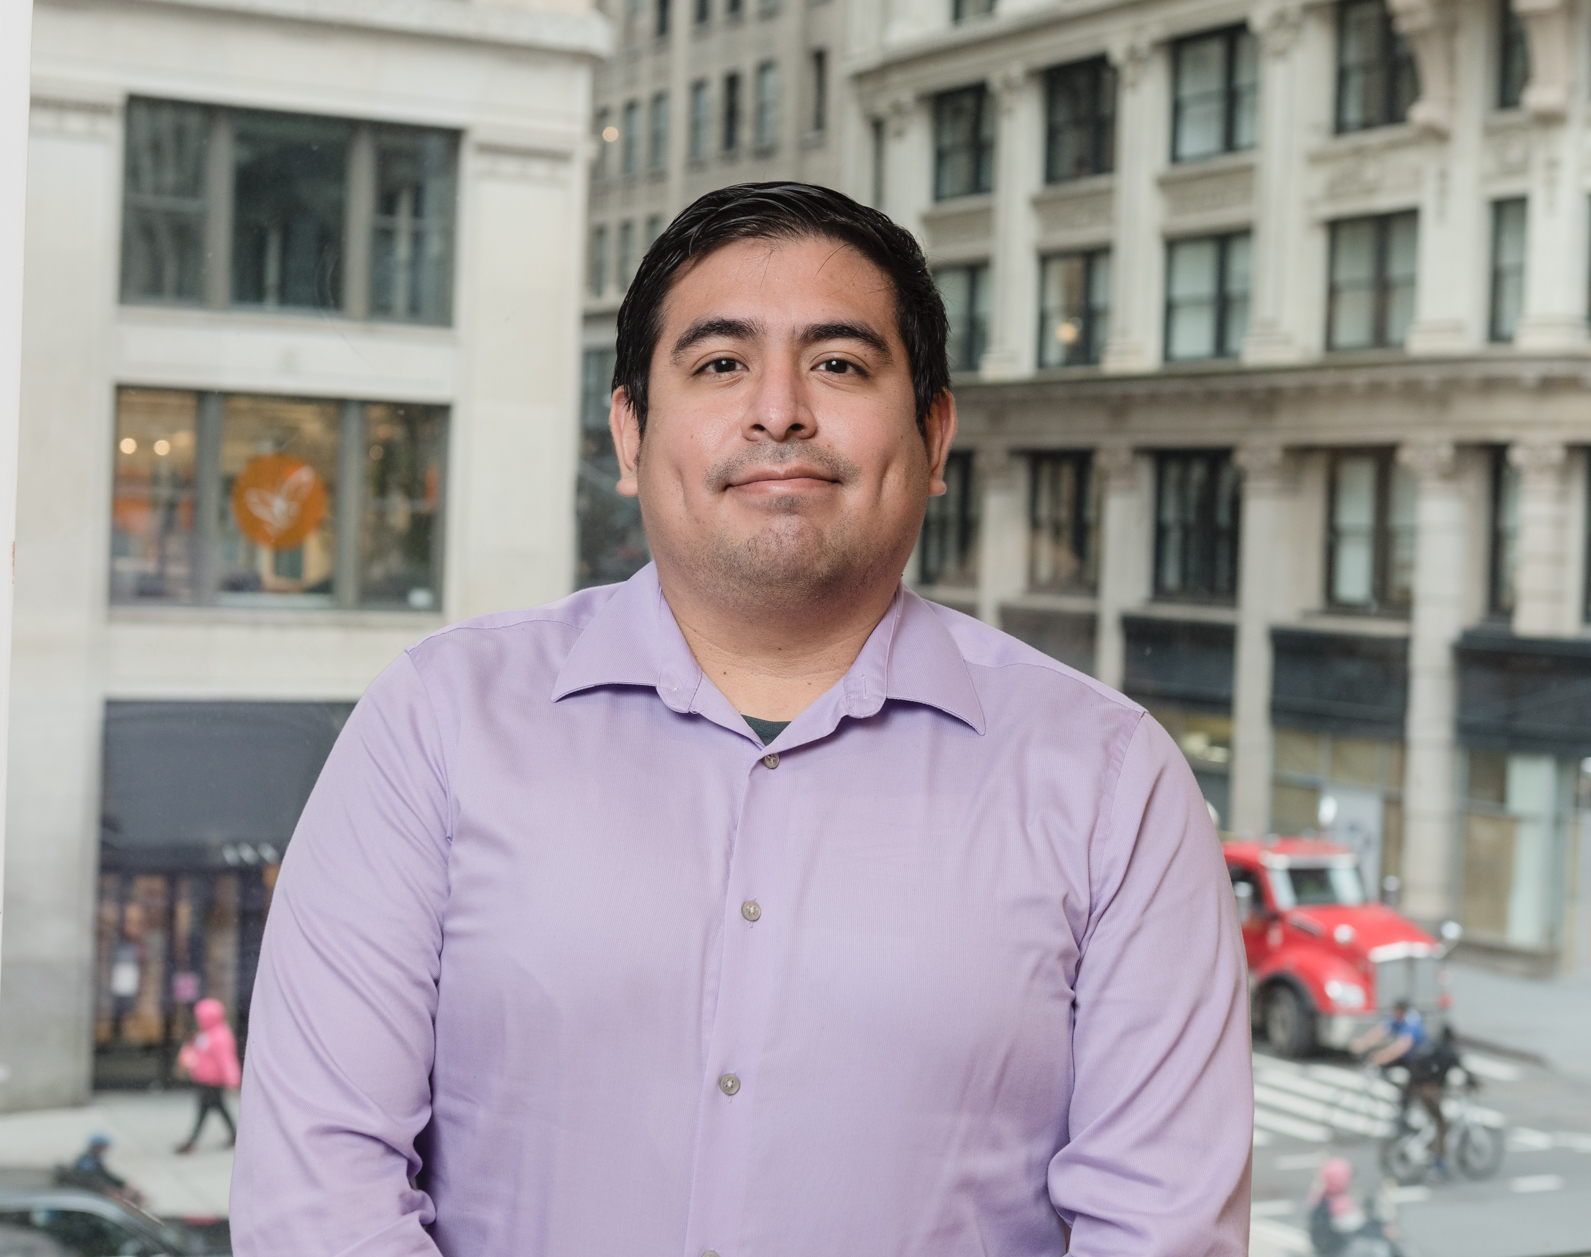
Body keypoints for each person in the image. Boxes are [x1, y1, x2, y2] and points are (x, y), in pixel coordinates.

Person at [231, 182, 1253, 1255]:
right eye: (720, 364)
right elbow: (319, 1189)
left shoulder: (1109, 779)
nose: (779, 411)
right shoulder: (436, 723)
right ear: (628, 434)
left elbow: (1159, 1229)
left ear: (935, 433)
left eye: (840, 365)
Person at [1352, 1000, 1447, 1174]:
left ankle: (1410, 1124)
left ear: (1402, 1011)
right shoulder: (1397, 1018)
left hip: (1418, 1064)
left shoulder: (1413, 1022)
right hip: (1414, 1066)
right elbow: (1380, 1031)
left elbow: (1402, 1047)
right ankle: (1405, 1117)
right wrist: (1363, 1044)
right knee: (1404, 1091)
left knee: (1412, 1096)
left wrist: (1381, 1057)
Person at [174, 997, 240, 1153]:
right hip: (203, 1079)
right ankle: (234, 1136)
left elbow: (227, 1061)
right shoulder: (205, 1034)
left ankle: (191, 1142)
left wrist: (232, 1080)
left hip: (213, 1081)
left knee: (205, 1110)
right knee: (218, 1108)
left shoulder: (221, 1036)